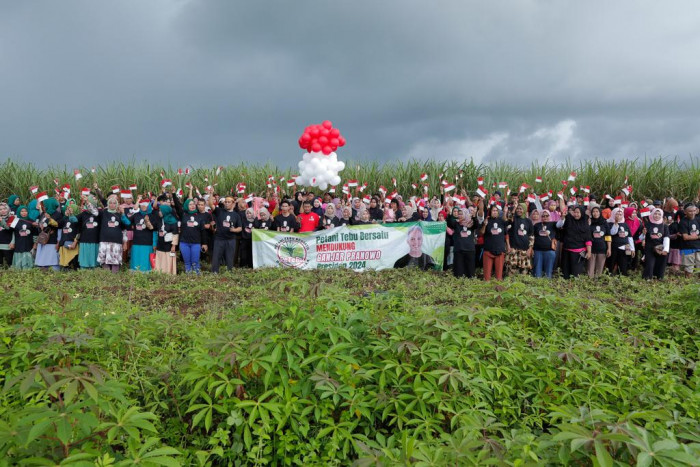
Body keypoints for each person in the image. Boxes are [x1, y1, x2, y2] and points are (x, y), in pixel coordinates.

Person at [557, 201, 592, 279]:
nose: (576, 214)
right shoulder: (569, 219)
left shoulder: (585, 224)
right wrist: (561, 198)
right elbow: (563, 210)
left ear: (582, 213)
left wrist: (589, 251)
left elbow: (588, 239)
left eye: (578, 212)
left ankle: (574, 287)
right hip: (567, 250)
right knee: (565, 272)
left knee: (575, 273)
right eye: (575, 212)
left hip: (578, 252)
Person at [98, 195, 131, 273]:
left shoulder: (119, 215)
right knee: (104, 259)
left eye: (114, 203)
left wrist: (123, 214)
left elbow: (127, 225)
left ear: (116, 205)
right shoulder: (103, 213)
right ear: (108, 204)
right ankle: (107, 276)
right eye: (110, 203)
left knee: (115, 260)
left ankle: (114, 276)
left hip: (116, 241)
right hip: (104, 240)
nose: (112, 205)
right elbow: (93, 211)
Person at [209, 195, 242, 273]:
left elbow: (240, 228)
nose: (226, 203)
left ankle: (229, 273)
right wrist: (211, 193)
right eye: (225, 202)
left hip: (231, 240)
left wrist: (234, 230)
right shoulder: (219, 211)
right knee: (216, 257)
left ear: (233, 204)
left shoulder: (236, 215)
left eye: (229, 202)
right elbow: (210, 204)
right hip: (219, 239)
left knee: (230, 258)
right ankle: (214, 273)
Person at [449, 203, 481, 278]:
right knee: (458, 273)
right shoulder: (456, 223)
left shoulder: (471, 223)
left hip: (469, 250)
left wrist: (473, 216)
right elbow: (449, 223)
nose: (459, 215)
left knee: (470, 273)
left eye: (461, 214)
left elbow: (476, 224)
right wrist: (450, 213)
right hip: (459, 250)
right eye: (458, 214)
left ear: (466, 214)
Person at [481, 204, 508, 281]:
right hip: (488, 250)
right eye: (493, 210)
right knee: (487, 277)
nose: (495, 212)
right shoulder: (486, 221)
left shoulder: (502, 221)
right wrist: (485, 225)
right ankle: (486, 290)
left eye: (496, 211)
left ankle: (499, 290)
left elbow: (506, 232)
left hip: (500, 250)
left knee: (499, 277)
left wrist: (505, 212)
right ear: (490, 212)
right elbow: (481, 233)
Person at [505, 204, 534, 276]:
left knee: (524, 272)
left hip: (524, 250)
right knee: (511, 272)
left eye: (521, 209)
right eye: (518, 209)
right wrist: (514, 207)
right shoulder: (513, 219)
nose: (519, 210)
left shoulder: (528, 221)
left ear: (524, 210)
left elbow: (531, 236)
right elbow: (509, 218)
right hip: (513, 249)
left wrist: (530, 249)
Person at [642, 208, 670, 280]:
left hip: (661, 247)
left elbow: (666, 238)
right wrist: (643, 234)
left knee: (660, 264)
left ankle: (659, 278)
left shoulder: (664, 226)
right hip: (649, 247)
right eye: (655, 213)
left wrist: (666, 250)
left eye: (659, 214)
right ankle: (647, 278)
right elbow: (642, 238)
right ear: (652, 214)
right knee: (650, 264)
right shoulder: (647, 225)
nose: (657, 215)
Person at [35, 198, 62, 271]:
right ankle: (43, 269)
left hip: (52, 239)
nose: (44, 206)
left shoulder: (58, 215)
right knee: (43, 257)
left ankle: (55, 270)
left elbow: (59, 227)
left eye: (45, 205)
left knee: (52, 257)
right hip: (43, 239)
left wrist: (58, 241)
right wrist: (39, 226)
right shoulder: (44, 214)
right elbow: (40, 223)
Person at [129, 197, 156, 272]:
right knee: (136, 259)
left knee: (145, 260)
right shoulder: (136, 215)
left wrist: (147, 222)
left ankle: (146, 275)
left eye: (145, 205)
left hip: (147, 242)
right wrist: (122, 214)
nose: (143, 206)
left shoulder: (152, 215)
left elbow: (153, 229)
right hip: (136, 241)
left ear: (149, 206)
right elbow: (127, 223)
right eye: (142, 205)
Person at [153, 204, 179, 275]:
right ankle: (160, 274)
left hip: (169, 245)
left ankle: (169, 274)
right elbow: (153, 229)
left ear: (165, 211)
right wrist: (147, 222)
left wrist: (174, 246)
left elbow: (175, 234)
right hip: (160, 244)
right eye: (159, 210)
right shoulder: (159, 220)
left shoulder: (173, 221)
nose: (159, 212)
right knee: (160, 260)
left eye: (161, 211)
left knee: (168, 260)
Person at [608, 207, 634, 276]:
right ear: (613, 214)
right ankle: (609, 274)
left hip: (626, 246)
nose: (619, 216)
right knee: (612, 261)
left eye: (620, 214)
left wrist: (632, 249)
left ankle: (623, 274)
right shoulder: (610, 223)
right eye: (617, 214)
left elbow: (630, 237)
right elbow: (612, 233)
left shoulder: (625, 224)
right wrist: (616, 223)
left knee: (625, 262)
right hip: (615, 246)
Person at [531, 209, 558, 278]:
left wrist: (563, 217)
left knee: (548, 272)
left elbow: (561, 223)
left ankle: (547, 286)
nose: (545, 217)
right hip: (538, 251)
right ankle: (537, 286)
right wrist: (531, 249)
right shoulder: (537, 225)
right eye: (543, 216)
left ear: (550, 216)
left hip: (550, 251)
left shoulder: (554, 224)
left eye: (547, 215)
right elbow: (532, 237)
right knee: (537, 272)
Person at [77, 194, 101, 269]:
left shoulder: (99, 213)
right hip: (84, 239)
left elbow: (94, 211)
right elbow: (74, 220)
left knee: (94, 256)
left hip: (95, 239)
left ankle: (94, 269)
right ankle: (83, 269)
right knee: (85, 256)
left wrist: (87, 201)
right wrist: (70, 214)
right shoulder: (83, 213)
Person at [587, 206, 611, 278]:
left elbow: (608, 236)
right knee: (590, 269)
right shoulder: (589, 221)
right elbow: (586, 234)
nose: (595, 213)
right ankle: (589, 283)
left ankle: (597, 283)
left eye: (597, 211)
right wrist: (588, 224)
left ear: (600, 212)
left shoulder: (604, 222)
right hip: (591, 249)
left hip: (602, 248)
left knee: (599, 270)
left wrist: (609, 248)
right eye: (593, 211)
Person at [678, 203, 699, 277]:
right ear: (685, 212)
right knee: (689, 268)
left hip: (698, 247)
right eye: (690, 211)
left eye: (694, 210)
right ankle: (687, 283)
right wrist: (698, 237)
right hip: (687, 247)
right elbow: (685, 237)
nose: (692, 213)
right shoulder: (683, 222)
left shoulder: (698, 219)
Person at [58, 200, 80, 270]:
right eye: (68, 209)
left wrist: (75, 242)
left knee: (73, 260)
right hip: (64, 242)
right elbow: (59, 225)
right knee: (65, 262)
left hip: (73, 243)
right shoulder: (65, 218)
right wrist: (65, 216)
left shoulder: (77, 219)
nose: (69, 211)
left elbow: (79, 232)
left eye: (71, 210)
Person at [0, 202, 14, 268]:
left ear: (8, 209)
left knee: (9, 263)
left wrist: (13, 242)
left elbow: (10, 229)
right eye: (0, 209)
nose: (3, 211)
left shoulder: (12, 218)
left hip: (8, 245)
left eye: (4, 209)